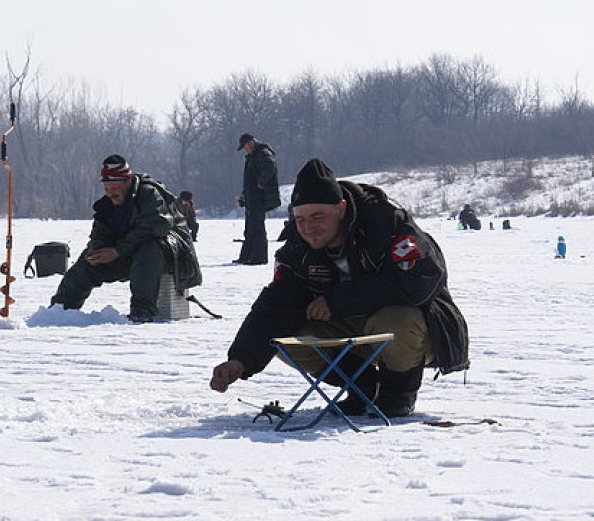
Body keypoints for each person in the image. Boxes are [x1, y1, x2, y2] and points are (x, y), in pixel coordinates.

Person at [210, 158, 469, 418]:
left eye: (318, 216)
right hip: (349, 327)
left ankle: (398, 394)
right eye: (300, 219)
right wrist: (241, 360)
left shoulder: (387, 224)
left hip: (418, 329)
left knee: (397, 319)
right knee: (285, 340)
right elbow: (277, 304)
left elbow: (419, 281)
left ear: (341, 208)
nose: (308, 228)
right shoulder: (296, 247)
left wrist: (339, 301)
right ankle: (362, 386)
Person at [49, 155, 202, 323]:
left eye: (114, 188)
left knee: (149, 248)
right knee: (87, 261)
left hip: (171, 255)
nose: (111, 194)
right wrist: (96, 251)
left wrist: (117, 251)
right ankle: (59, 311)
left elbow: (156, 226)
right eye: (106, 189)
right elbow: (100, 234)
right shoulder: (106, 205)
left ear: (127, 182)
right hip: (129, 253)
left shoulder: (149, 194)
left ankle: (142, 311)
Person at [234, 133, 281, 265]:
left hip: (259, 196)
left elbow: (270, 167)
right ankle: (246, 256)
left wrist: (262, 182)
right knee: (249, 228)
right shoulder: (253, 156)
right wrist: (244, 194)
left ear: (251, 142)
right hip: (251, 195)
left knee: (256, 227)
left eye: (245, 146)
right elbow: (250, 178)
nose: (245, 149)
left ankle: (259, 257)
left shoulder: (263, 153)